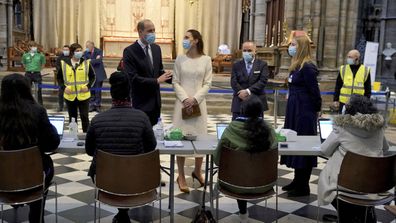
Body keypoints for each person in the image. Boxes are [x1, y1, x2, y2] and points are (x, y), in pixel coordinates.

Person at [85, 71, 156, 223]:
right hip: (137, 180)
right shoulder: (142, 118)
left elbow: (89, 151)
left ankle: (122, 213)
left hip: (106, 181)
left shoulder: (97, 120)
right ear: (129, 94)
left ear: (111, 95)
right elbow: (151, 147)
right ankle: (123, 213)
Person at [318, 95, 388, 223]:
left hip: (345, 185)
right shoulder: (378, 128)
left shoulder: (342, 126)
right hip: (374, 184)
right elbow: (386, 148)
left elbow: (324, 150)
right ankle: (361, 215)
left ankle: (351, 216)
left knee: (330, 176)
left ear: (349, 110)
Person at [0, 73, 60, 223]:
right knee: (43, 165)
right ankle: (36, 216)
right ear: (27, 89)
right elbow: (52, 143)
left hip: (2, 174)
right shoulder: (37, 111)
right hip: (33, 173)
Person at [213, 95, 277, 223]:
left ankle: (242, 213)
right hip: (264, 184)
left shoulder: (231, 129)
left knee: (240, 175)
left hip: (233, 184)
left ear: (242, 110)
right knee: (247, 174)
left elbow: (217, 159)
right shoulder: (269, 130)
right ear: (261, 111)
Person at [280, 34, 322, 197]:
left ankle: (304, 185)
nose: (290, 47)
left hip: (304, 110)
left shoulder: (308, 67)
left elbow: (314, 92)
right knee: (294, 143)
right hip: (294, 109)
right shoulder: (297, 65)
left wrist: (316, 110)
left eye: (293, 44)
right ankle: (297, 180)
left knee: (304, 145)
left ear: (301, 47)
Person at [172, 29, 213, 193]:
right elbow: (175, 81)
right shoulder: (180, 59)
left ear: (196, 40)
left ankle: (198, 171)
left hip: (199, 103)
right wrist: (185, 99)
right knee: (181, 138)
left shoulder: (206, 59)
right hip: (182, 104)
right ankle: (181, 175)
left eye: (187, 37)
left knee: (200, 138)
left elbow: (208, 83)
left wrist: (195, 99)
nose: (184, 40)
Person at [123, 19, 172, 126]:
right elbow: (132, 78)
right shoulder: (130, 51)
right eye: (149, 31)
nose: (153, 34)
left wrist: (174, 77)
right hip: (140, 103)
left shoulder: (156, 49)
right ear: (140, 32)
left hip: (155, 103)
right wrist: (156, 81)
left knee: (153, 137)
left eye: (154, 30)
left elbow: (159, 71)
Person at [57, 43, 95, 132]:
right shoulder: (64, 64)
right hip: (70, 96)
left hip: (83, 95)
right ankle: (73, 136)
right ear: (72, 52)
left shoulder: (86, 63)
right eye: (77, 51)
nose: (80, 52)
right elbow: (59, 78)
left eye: (80, 50)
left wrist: (88, 86)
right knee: (72, 118)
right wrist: (63, 88)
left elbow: (93, 76)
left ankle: (86, 136)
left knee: (84, 116)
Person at [231, 40, 269, 120]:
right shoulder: (236, 65)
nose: (246, 52)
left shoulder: (262, 65)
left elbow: (262, 81)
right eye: (244, 50)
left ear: (255, 51)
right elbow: (233, 82)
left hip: (256, 101)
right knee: (237, 129)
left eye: (249, 50)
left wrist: (248, 91)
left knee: (255, 130)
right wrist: (241, 92)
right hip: (239, 100)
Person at [333, 49, 371, 113]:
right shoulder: (343, 69)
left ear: (357, 58)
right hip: (344, 102)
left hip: (359, 103)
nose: (348, 59)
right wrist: (335, 100)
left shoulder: (365, 70)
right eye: (348, 57)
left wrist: (367, 102)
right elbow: (338, 85)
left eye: (350, 57)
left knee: (357, 121)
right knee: (343, 121)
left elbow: (368, 88)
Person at [84, 41, 107, 112]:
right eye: (86, 47)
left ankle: (97, 105)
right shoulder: (85, 52)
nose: (86, 48)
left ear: (92, 46)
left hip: (99, 74)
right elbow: (85, 62)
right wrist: (94, 60)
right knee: (92, 90)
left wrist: (90, 60)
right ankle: (91, 105)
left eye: (88, 47)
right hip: (90, 75)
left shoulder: (99, 51)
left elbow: (99, 61)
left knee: (98, 91)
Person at [22, 41, 46, 105]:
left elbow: (43, 64)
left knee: (39, 90)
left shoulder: (40, 55)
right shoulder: (25, 55)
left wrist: (38, 69)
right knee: (27, 90)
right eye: (32, 46)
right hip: (28, 74)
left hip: (37, 74)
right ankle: (27, 104)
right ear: (29, 47)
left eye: (35, 46)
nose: (34, 47)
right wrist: (28, 69)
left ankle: (40, 104)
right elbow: (24, 63)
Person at [55, 45, 70, 112]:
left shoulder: (72, 57)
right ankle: (60, 106)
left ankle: (68, 106)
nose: (65, 51)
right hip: (62, 78)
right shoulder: (60, 57)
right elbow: (57, 65)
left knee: (69, 92)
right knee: (61, 93)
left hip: (70, 77)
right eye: (64, 49)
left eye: (67, 49)